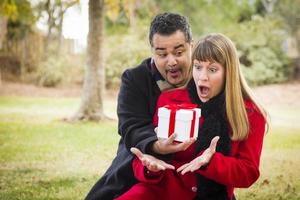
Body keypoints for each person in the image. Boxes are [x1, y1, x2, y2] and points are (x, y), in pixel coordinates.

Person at [116, 33, 268, 200]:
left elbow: (248, 173)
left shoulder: (250, 113)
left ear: (228, 73)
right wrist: (150, 166)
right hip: (160, 193)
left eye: (212, 69)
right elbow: (142, 160)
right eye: (197, 67)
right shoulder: (170, 100)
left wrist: (212, 162)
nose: (202, 76)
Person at [85, 12, 196, 200]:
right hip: (141, 163)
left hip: (192, 172)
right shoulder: (135, 78)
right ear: (152, 51)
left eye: (178, 52)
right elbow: (131, 126)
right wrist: (156, 146)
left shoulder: (204, 77)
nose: (171, 61)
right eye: (162, 54)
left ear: (191, 46)